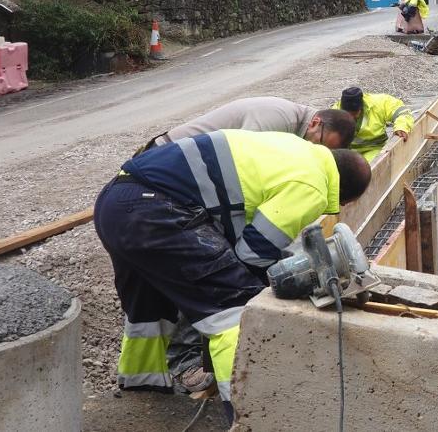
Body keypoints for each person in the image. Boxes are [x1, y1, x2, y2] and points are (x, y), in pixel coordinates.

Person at [94, 131, 371, 424]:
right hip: (156, 211)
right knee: (234, 311)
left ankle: (142, 394)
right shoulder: (313, 186)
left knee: (150, 307)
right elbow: (253, 252)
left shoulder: (296, 150)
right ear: (341, 193)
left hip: (116, 204)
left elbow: (237, 226)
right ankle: (247, 420)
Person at [136, 97, 355, 391]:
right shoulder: (275, 121)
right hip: (168, 175)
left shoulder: (296, 133)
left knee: (213, 269)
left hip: (191, 188)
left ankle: (152, 375)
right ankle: (187, 361)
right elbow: (235, 183)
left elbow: (253, 195)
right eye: (323, 143)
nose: (321, 152)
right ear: (316, 123)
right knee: (216, 274)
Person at [145, 97, 356, 151]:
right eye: (320, 143)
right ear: (315, 123)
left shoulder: (297, 126)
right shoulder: (281, 119)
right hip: (167, 152)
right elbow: (240, 161)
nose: (316, 150)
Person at [332, 85, 415, 162]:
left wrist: (401, 126)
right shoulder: (334, 113)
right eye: (347, 115)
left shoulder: (379, 103)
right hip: (347, 153)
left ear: (361, 108)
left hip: (375, 149)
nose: (351, 118)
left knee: (370, 167)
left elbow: (402, 112)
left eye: (354, 115)